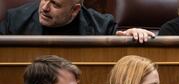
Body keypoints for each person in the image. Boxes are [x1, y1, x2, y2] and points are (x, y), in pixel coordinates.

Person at [0, 0, 154, 43]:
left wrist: (130, 36)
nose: (45, 7)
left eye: (55, 4)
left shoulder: (101, 26)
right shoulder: (16, 19)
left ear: (75, 10)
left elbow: (119, 40)